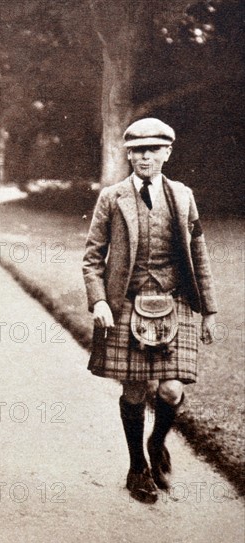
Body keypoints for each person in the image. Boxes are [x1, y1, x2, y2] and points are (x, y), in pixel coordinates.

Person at [82, 118, 217, 504]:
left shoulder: (183, 196)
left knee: (172, 390)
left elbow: (199, 255)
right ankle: (137, 466)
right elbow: (92, 258)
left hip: (174, 302)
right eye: (138, 150)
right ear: (128, 154)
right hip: (127, 301)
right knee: (136, 389)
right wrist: (100, 301)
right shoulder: (112, 197)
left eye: (153, 149)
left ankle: (157, 443)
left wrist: (208, 311)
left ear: (167, 153)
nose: (145, 156)